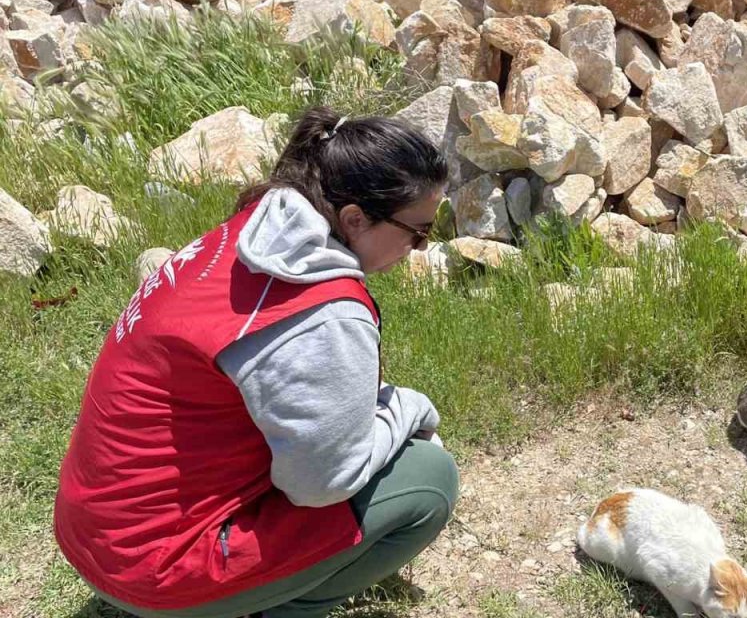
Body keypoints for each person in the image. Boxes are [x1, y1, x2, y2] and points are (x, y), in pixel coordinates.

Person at [54, 106, 458, 618]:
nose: (419, 247)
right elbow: (323, 484)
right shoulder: (325, 312)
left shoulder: (251, 234)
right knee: (428, 477)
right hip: (154, 572)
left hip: (98, 536)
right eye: (417, 231)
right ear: (355, 219)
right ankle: (272, 609)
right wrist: (410, 409)